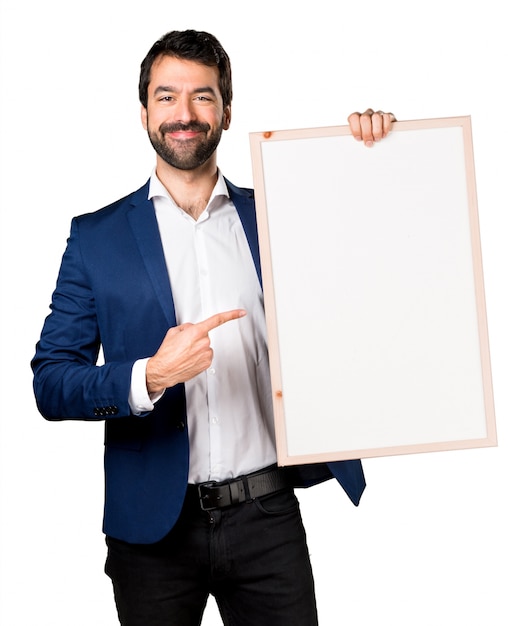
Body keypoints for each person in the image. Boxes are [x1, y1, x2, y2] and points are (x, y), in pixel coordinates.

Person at [31, 29, 395, 626]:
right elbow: (51, 382)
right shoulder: (95, 239)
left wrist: (369, 152)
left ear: (226, 108)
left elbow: (369, 255)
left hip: (267, 515)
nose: (184, 114)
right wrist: (149, 375)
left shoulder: (278, 213)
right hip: (152, 534)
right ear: (144, 110)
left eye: (202, 96)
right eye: (167, 96)